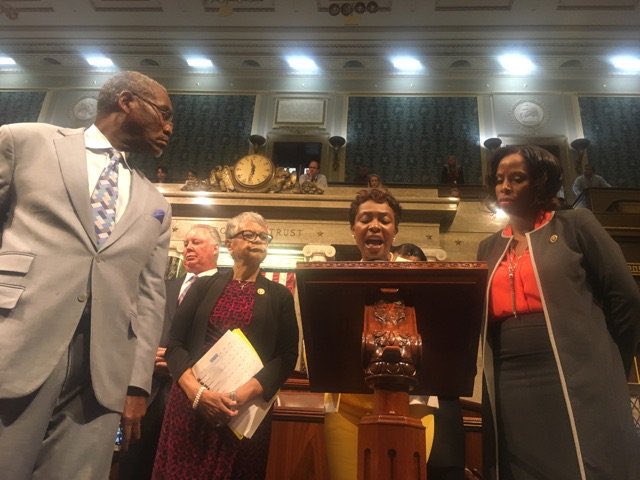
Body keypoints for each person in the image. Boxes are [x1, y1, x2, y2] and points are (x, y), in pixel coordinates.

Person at [0, 70, 174, 479]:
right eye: (164, 114)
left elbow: (150, 298)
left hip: (100, 379)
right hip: (15, 345)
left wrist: (137, 384)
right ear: (127, 102)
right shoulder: (24, 141)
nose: (169, 128)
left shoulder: (156, 203)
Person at [478, 145, 640, 480]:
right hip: (508, 377)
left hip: (574, 371)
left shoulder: (575, 225)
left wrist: (610, 360)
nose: (504, 186)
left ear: (540, 182)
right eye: (499, 179)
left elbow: (625, 298)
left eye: (517, 178)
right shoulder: (489, 246)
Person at [152, 212, 299, 479]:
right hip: (191, 407)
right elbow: (176, 344)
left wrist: (239, 396)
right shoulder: (203, 286)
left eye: (263, 236)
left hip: (241, 411)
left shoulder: (279, 296)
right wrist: (197, 394)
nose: (258, 240)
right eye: (249, 234)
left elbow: (286, 356)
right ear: (229, 244)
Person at [118, 224, 221, 480]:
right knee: (134, 468)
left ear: (216, 249)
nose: (188, 248)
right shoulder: (163, 287)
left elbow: (222, 342)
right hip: (148, 392)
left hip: (192, 395)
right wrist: (145, 357)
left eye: (196, 242)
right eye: (186, 243)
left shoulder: (226, 289)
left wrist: (179, 362)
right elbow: (136, 328)